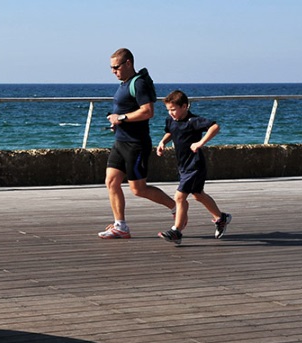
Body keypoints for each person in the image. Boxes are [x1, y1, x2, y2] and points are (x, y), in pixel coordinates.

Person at [98, 48, 176, 239]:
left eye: (116, 67)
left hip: (135, 144)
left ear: (128, 64)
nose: (113, 71)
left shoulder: (139, 83)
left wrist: (121, 118)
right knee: (111, 181)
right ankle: (120, 226)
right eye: (111, 68)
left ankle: (176, 206)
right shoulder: (124, 84)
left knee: (138, 189)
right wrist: (115, 120)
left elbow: (148, 111)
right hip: (120, 141)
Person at [156, 89, 231, 244]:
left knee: (179, 197)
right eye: (168, 110)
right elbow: (171, 132)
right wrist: (163, 142)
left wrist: (200, 143)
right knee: (198, 194)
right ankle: (220, 218)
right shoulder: (171, 120)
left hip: (195, 165)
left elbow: (215, 127)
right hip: (183, 165)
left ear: (185, 106)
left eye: (174, 109)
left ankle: (176, 231)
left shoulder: (193, 121)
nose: (171, 113)